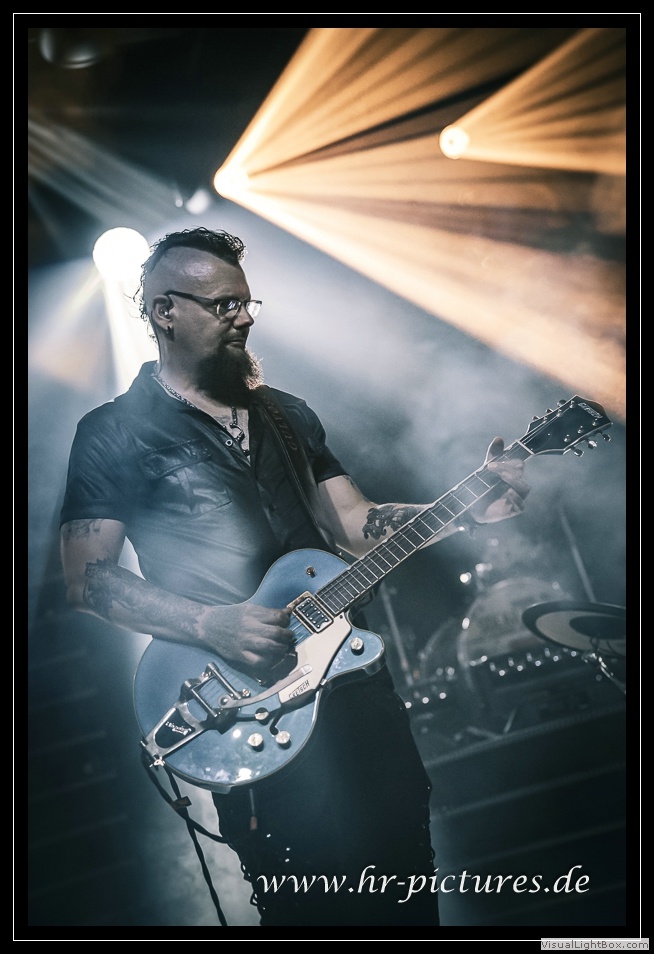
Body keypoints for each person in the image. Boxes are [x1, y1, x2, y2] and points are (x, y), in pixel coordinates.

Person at [59, 226, 530, 927]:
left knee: (406, 891)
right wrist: (210, 623)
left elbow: (355, 523)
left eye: (246, 303)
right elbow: (89, 580)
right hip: (245, 705)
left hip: (355, 692)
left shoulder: (287, 414)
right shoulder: (114, 432)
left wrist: (465, 508)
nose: (243, 318)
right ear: (165, 312)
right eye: (223, 305)